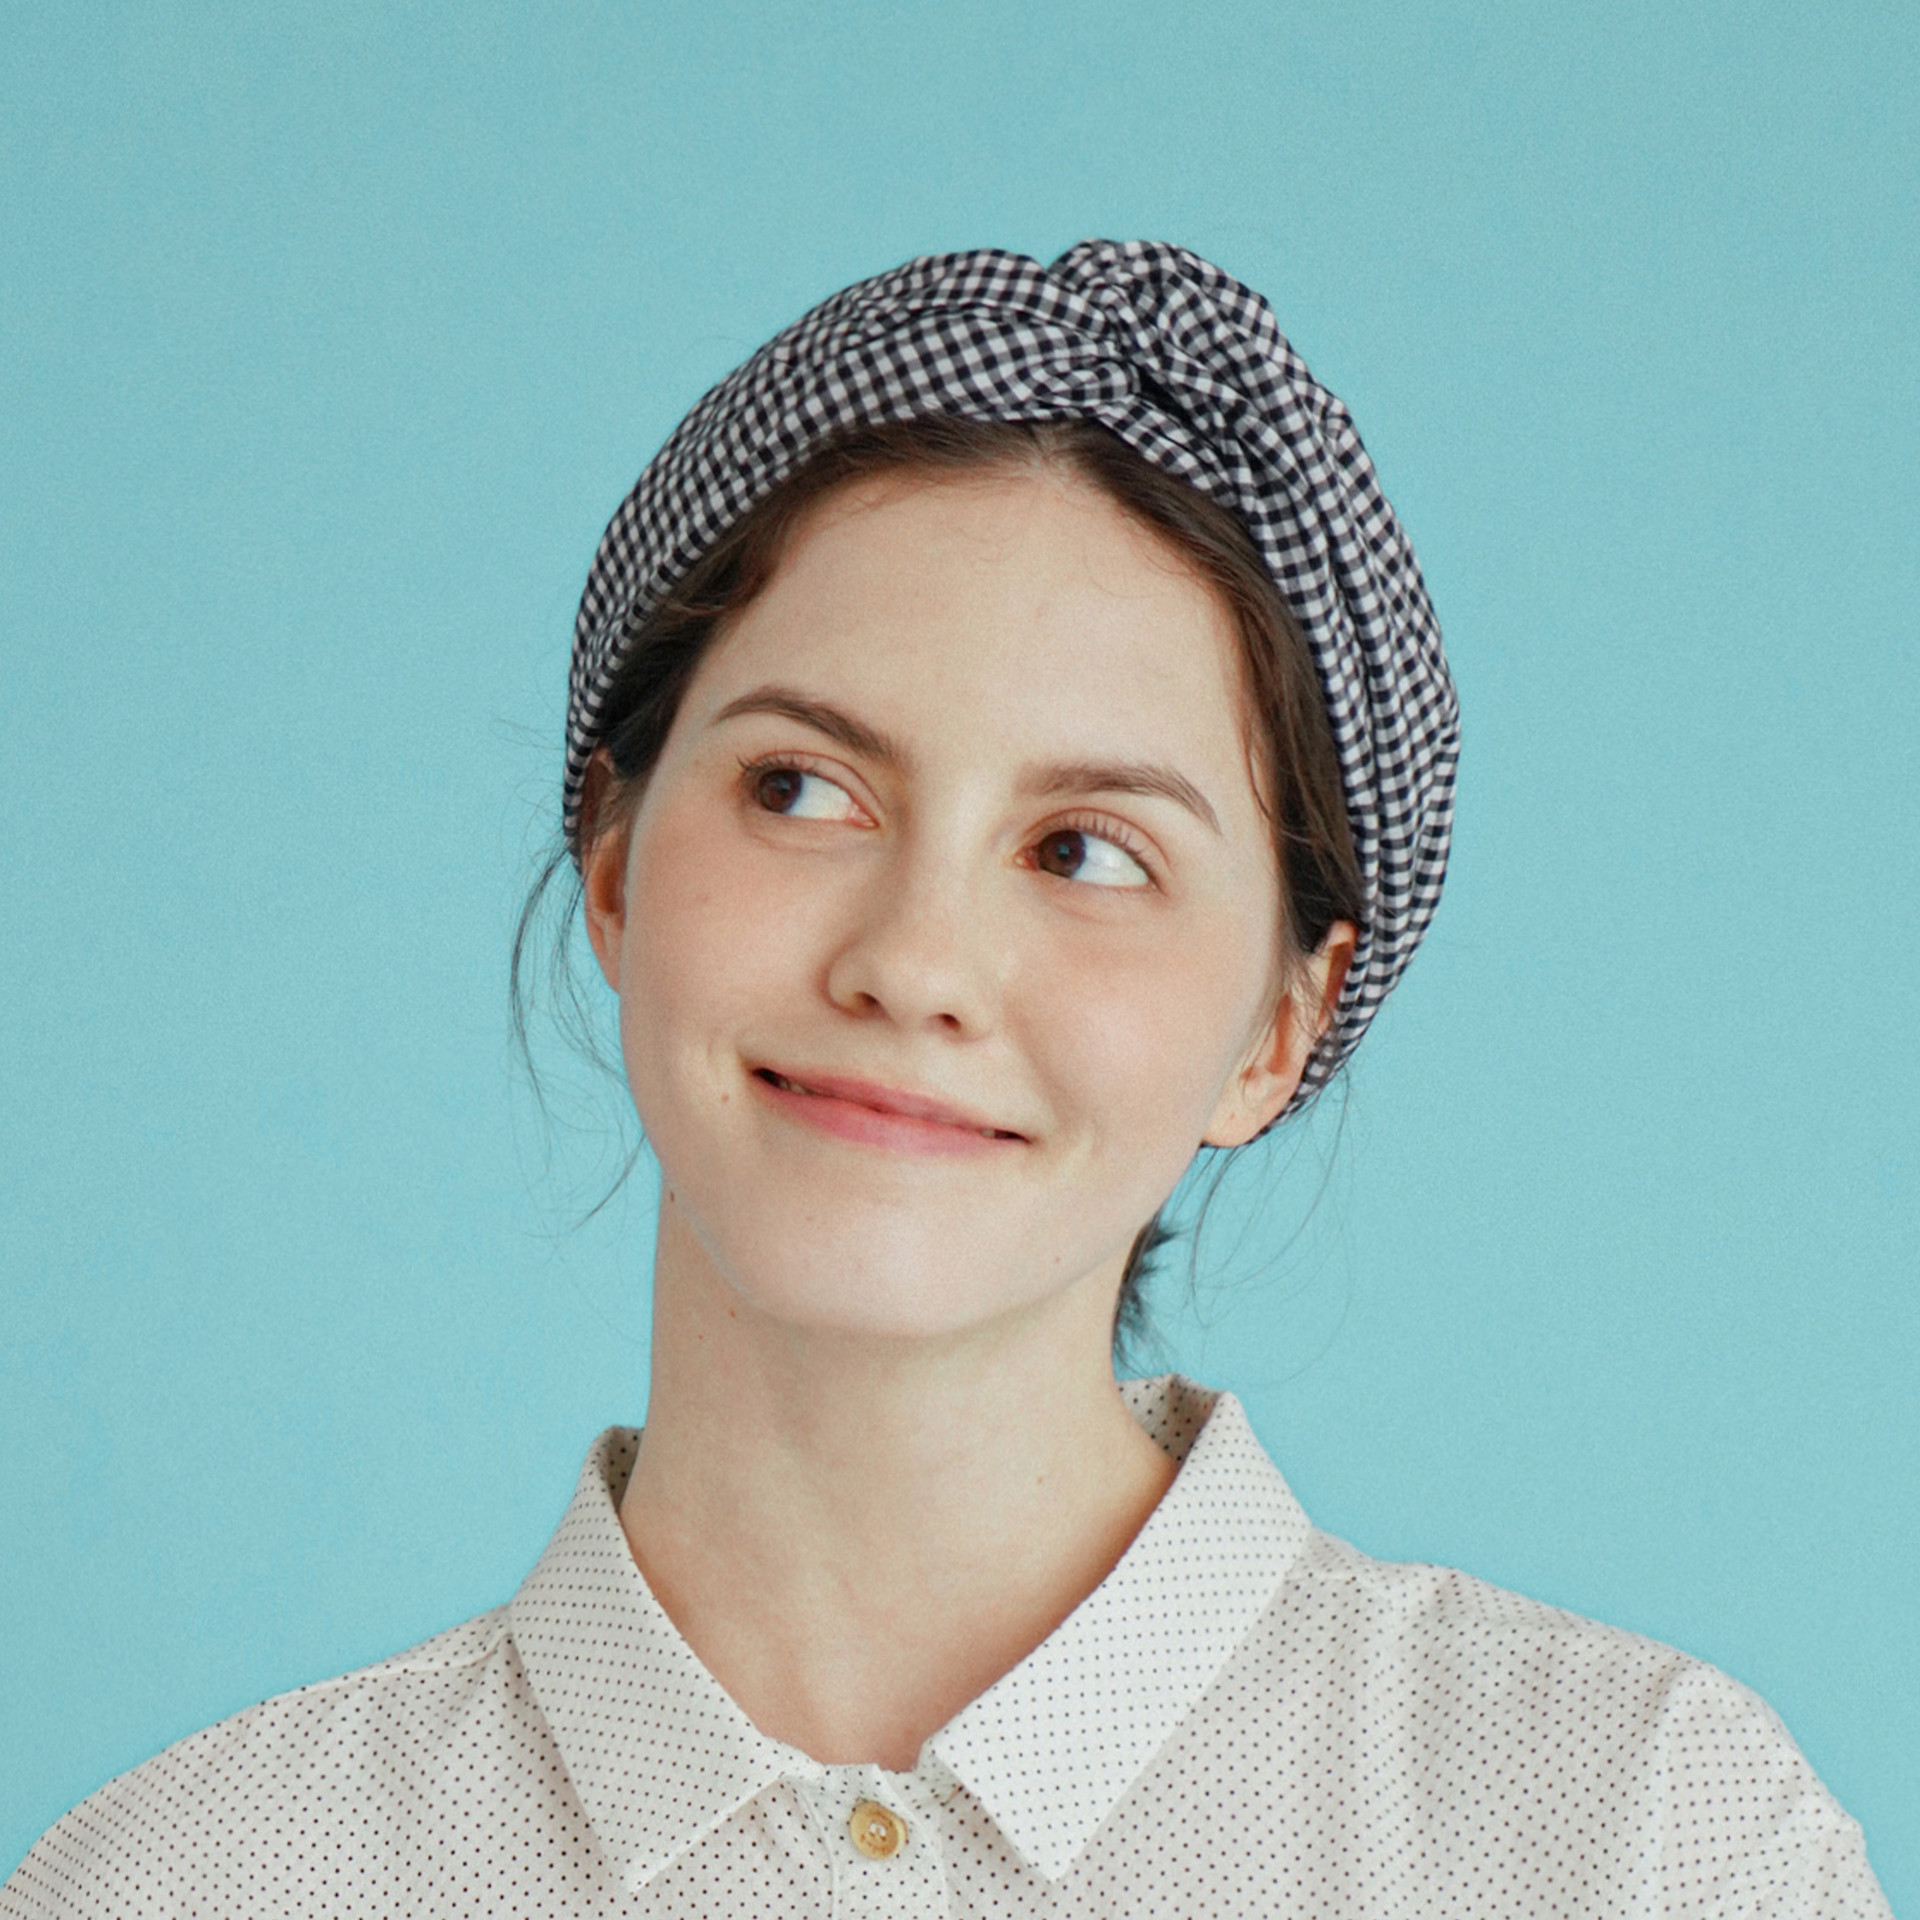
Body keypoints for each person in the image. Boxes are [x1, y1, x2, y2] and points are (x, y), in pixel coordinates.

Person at [1, 241, 1890, 1918]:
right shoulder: (185, 1884)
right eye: (800, 788)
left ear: (1278, 1030)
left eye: (1087, 851)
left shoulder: (1646, 1843)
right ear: (616, 864)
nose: (914, 962)